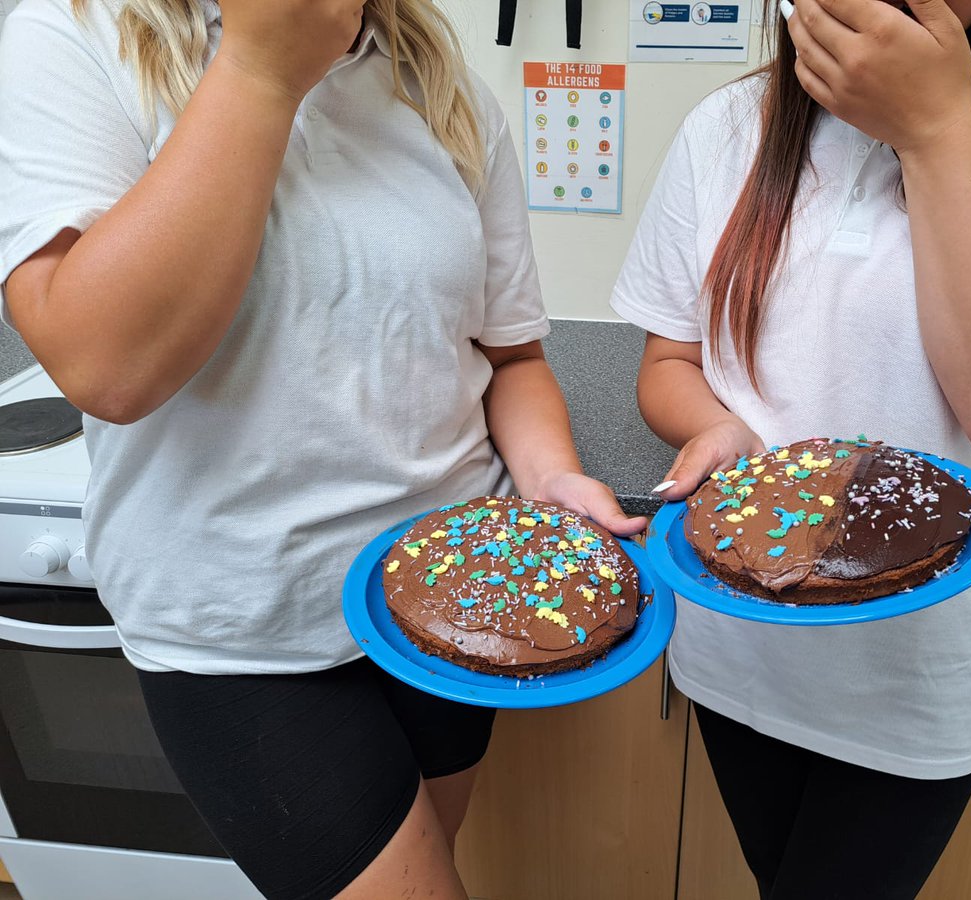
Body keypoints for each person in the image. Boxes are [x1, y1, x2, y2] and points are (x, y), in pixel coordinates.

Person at [0, 0, 645, 896]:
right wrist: (264, 70)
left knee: (435, 861)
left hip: (451, 600)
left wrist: (552, 479)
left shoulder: (439, 81)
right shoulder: (72, 38)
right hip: (243, 631)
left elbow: (511, 357)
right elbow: (106, 369)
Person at [611, 0, 971, 896]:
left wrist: (934, 129)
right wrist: (716, 426)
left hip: (916, 676)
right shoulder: (728, 124)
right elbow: (668, 360)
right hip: (740, 646)